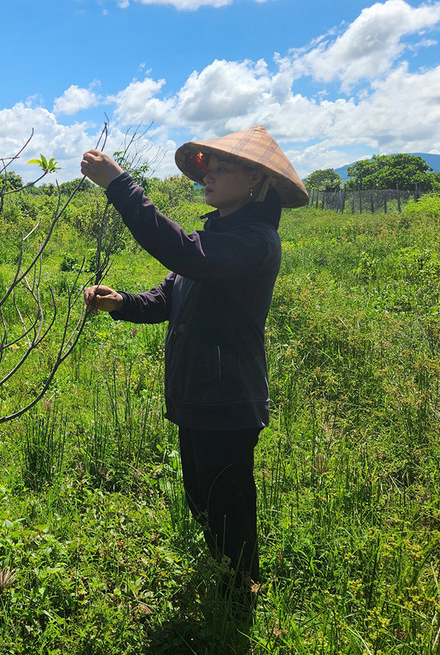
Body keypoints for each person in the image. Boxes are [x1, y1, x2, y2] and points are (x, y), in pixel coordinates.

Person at [80, 126, 308, 599]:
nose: (209, 175)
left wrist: (120, 184)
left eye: (223, 168)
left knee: (228, 504)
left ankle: (240, 595)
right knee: (202, 498)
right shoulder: (215, 239)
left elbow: (182, 253)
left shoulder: (255, 241)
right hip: (197, 395)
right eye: (209, 168)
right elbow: (167, 296)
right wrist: (121, 302)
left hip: (228, 398)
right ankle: (227, 580)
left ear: (255, 180)